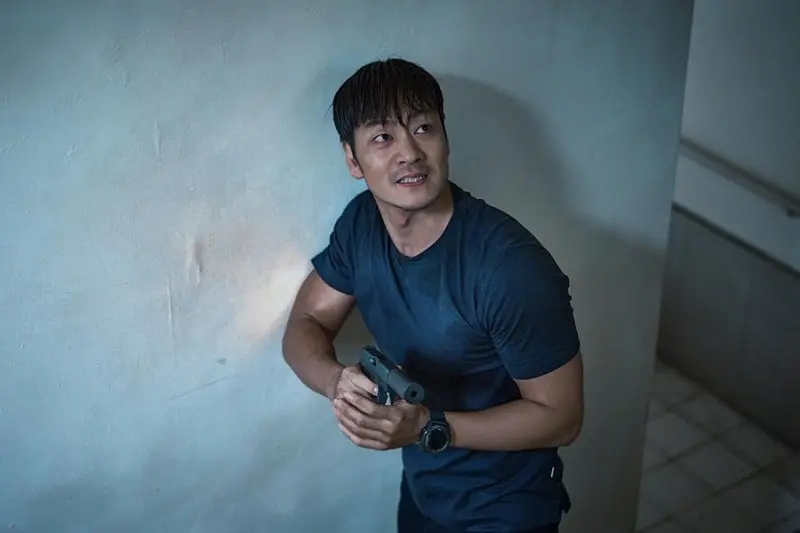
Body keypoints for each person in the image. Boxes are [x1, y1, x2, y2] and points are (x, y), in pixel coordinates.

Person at [281, 58, 584, 533]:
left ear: (445, 140)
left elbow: (562, 418)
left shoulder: (510, 268)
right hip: (425, 491)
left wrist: (427, 426)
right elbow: (306, 323)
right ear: (353, 160)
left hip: (506, 508)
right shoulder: (361, 225)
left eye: (424, 128)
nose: (410, 152)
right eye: (383, 137)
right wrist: (335, 381)